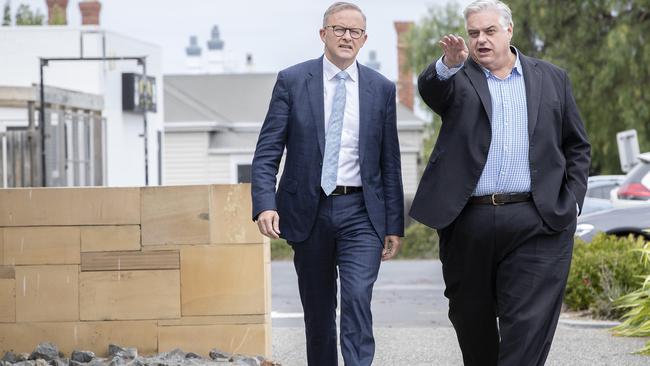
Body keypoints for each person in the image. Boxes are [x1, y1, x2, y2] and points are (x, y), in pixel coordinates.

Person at [409, 0, 590, 365]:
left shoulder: (553, 78)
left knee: (527, 326)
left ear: (509, 30)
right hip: (469, 223)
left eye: (490, 31)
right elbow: (431, 90)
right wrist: (448, 65)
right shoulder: (457, 78)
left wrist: (570, 202)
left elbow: (577, 146)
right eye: (474, 33)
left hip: (536, 220)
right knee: (471, 323)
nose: (481, 40)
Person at [250, 2, 404, 365]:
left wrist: (394, 224)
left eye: (355, 32)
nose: (347, 37)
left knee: (356, 298)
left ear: (364, 39)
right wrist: (264, 203)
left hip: (361, 213)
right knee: (318, 311)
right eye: (339, 29)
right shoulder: (292, 81)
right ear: (323, 34)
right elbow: (267, 150)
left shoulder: (380, 89)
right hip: (308, 210)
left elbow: (390, 162)